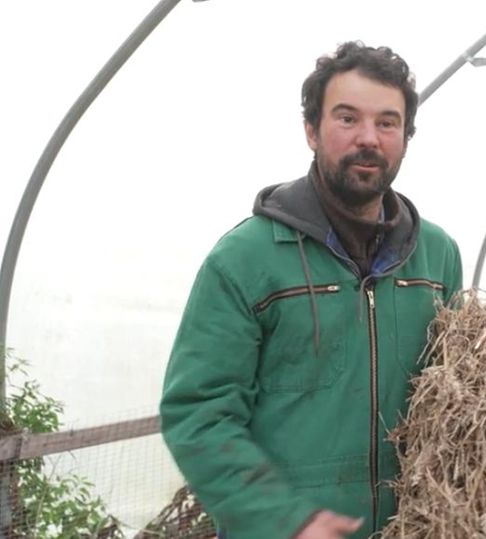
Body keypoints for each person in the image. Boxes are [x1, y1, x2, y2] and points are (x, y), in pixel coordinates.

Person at [159, 41, 463, 539]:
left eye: (387, 123)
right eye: (347, 118)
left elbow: (452, 403)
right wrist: (284, 522)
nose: (369, 138)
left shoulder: (437, 256)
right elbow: (198, 413)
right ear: (311, 131)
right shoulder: (245, 259)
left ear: (406, 137)